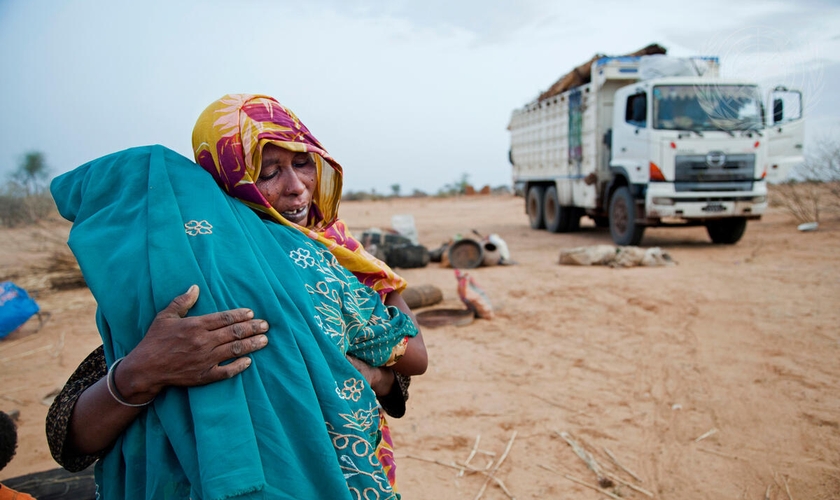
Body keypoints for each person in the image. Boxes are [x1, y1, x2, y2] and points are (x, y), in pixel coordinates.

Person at [48, 95, 426, 499]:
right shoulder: (196, 269)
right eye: (268, 173)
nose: (297, 188)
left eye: (303, 162)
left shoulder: (337, 253)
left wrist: (377, 375)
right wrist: (142, 370)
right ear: (228, 180)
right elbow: (67, 437)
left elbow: (400, 370)